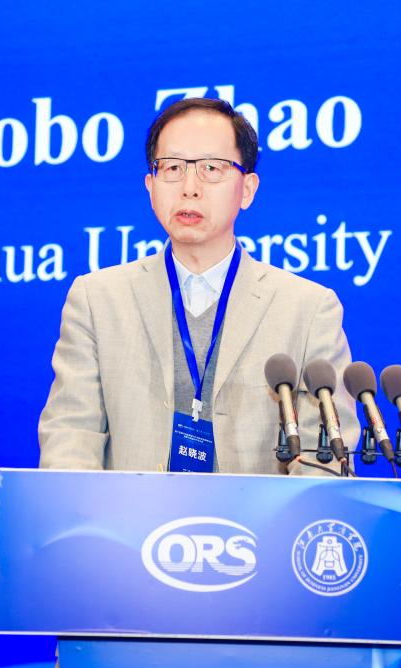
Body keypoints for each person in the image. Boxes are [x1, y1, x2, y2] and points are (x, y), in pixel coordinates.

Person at [37, 97, 358, 475]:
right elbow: (71, 436)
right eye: (172, 167)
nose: (189, 187)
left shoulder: (308, 309)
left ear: (248, 189)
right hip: (129, 514)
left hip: (257, 515)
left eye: (212, 168)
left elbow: (324, 460)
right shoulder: (97, 300)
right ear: (150, 186)